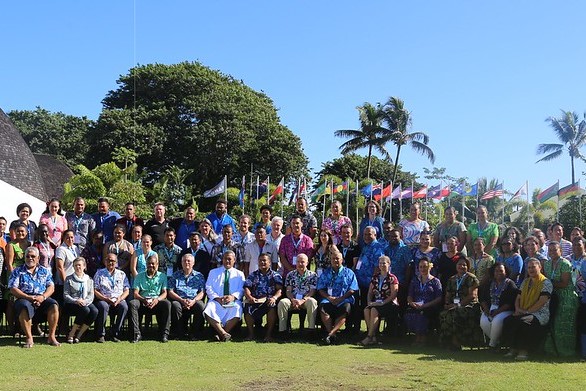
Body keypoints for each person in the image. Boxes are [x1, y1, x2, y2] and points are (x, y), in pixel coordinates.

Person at [502, 258, 553, 361]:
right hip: (523, 311)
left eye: (533, 267)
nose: (531, 270)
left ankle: (524, 351)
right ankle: (513, 348)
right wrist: (517, 309)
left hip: (539, 314)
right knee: (509, 320)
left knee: (523, 322)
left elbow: (541, 302)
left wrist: (526, 312)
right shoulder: (525, 282)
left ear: (540, 268)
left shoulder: (546, 283)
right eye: (529, 267)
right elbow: (518, 298)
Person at [9, 246, 60, 347]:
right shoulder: (17, 271)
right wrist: (28, 297)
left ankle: (51, 337)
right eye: (27, 256)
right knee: (23, 306)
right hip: (24, 298)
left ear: (38, 258)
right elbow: (13, 288)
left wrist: (43, 297)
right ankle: (29, 338)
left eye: (33, 256)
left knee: (54, 305)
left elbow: (51, 287)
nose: (30, 258)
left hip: (42, 297)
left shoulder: (45, 271)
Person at [543, 241, 579, 357]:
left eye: (555, 250)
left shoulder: (565, 263)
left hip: (566, 298)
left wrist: (548, 283)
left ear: (560, 251)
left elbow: (564, 283)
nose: (552, 252)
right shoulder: (547, 264)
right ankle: (552, 350)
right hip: (553, 297)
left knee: (563, 325)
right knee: (552, 324)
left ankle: (566, 352)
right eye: (550, 250)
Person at [439, 257, 481, 350]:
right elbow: (448, 294)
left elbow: (472, 296)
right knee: (443, 313)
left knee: (455, 314)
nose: (461, 266)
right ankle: (446, 342)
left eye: (464, 265)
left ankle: (456, 343)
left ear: (468, 267)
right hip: (454, 305)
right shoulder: (452, 279)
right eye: (459, 264)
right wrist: (447, 303)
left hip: (469, 305)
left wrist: (458, 305)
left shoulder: (471, 278)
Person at [317, 250, 359, 345]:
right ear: (330, 260)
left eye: (337, 259)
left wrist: (341, 298)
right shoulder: (325, 272)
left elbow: (353, 289)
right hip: (329, 299)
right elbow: (320, 288)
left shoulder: (349, 273)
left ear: (342, 260)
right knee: (323, 307)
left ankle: (331, 334)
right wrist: (329, 297)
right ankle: (332, 335)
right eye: (333, 259)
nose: (335, 260)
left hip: (344, 299)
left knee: (345, 308)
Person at [203, 251, 245, 342]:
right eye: (225, 259)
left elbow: (242, 289)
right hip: (217, 301)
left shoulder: (239, 274)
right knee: (209, 308)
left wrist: (232, 297)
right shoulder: (213, 272)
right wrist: (218, 298)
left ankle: (221, 333)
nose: (227, 261)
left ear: (234, 260)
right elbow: (208, 287)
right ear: (222, 260)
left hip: (231, 301)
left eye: (230, 259)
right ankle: (223, 334)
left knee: (237, 308)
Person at [129, 255, 172, 343]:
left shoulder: (162, 276)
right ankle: (136, 334)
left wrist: (157, 300)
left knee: (167, 304)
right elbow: (135, 293)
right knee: (133, 303)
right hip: (142, 300)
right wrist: (143, 300)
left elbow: (165, 293)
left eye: (153, 264)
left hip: (156, 301)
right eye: (149, 264)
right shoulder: (139, 276)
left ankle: (164, 334)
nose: (151, 265)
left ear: (157, 264)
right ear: (146, 264)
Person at [243, 253, 283, 342]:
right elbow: (246, 287)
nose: (262, 262)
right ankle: (251, 334)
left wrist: (274, 298)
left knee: (272, 307)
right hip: (255, 300)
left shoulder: (275, 275)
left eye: (264, 260)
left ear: (269, 262)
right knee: (247, 307)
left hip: (268, 300)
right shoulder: (253, 275)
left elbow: (279, 290)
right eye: (260, 260)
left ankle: (268, 335)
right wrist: (249, 297)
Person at [360, 255, 399, 346]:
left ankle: (369, 337)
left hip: (389, 303)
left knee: (374, 310)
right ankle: (373, 336)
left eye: (384, 263)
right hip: (377, 302)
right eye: (380, 263)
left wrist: (383, 303)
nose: (382, 265)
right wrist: (369, 301)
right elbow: (370, 292)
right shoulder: (375, 277)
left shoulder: (392, 278)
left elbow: (394, 294)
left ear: (389, 264)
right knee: (366, 309)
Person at [479, 262, 517, 350]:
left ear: (505, 272)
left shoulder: (510, 284)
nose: (499, 273)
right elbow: (483, 298)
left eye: (501, 271)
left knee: (496, 321)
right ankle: (498, 342)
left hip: (505, 310)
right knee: (484, 321)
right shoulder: (489, 283)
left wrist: (497, 311)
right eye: (496, 271)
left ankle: (492, 345)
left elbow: (510, 302)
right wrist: (486, 309)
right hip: (490, 309)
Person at [353, 227, 385, 332]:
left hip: (370, 284)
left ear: (375, 235)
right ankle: (367, 330)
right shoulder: (366, 247)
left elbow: (378, 267)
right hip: (361, 282)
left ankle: (373, 332)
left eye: (369, 234)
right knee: (364, 307)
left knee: (371, 307)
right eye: (365, 234)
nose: (366, 236)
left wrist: (373, 282)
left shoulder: (377, 247)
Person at [405, 257, 443, 346]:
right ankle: (417, 336)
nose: (423, 269)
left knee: (422, 313)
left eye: (425, 266)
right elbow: (410, 295)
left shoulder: (435, 281)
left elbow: (439, 298)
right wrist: (411, 303)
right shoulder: (415, 280)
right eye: (420, 267)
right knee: (408, 313)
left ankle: (423, 338)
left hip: (430, 306)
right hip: (416, 305)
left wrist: (426, 305)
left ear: (430, 267)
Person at [168, 254, 206, 340]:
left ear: (193, 263)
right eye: (184, 261)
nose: (186, 263)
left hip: (194, 300)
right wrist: (181, 300)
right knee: (175, 305)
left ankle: (195, 333)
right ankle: (179, 333)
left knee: (201, 306)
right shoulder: (175, 275)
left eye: (189, 261)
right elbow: (170, 291)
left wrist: (193, 301)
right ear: (181, 263)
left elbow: (202, 292)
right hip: (179, 300)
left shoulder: (199, 276)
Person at [277, 253, 318, 334]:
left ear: (307, 263)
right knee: (283, 302)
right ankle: (283, 331)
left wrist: (302, 300)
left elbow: (312, 291)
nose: (300, 264)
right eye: (298, 262)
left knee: (312, 302)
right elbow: (288, 290)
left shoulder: (313, 275)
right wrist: (293, 300)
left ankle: (311, 330)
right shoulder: (290, 275)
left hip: (305, 300)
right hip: (293, 299)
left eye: (302, 262)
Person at [93, 253, 130, 343]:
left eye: (113, 261)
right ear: (105, 262)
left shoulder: (122, 274)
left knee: (124, 307)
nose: (110, 262)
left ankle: (115, 333)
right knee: (103, 306)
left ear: (116, 262)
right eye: (108, 260)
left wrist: (120, 299)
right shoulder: (99, 273)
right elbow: (95, 290)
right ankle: (101, 334)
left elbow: (127, 290)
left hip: (118, 299)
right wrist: (105, 299)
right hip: (104, 299)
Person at [63, 257, 98, 343]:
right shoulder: (69, 279)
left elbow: (91, 295)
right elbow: (66, 295)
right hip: (72, 303)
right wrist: (76, 301)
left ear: (84, 266)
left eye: (79, 265)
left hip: (85, 302)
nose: (78, 267)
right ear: (73, 267)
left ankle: (80, 334)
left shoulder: (89, 279)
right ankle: (72, 332)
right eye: (75, 265)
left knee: (94, 311)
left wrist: (84, 301)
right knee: (85, 310)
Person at [54, 230, 78, 303]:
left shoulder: (75, 248)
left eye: (72, 237)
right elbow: (59, 267)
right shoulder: (61, 249)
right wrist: (66, 283)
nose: (70, 239)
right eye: (67, 238)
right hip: (63, 283)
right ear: (63, 238)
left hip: (74, 281)